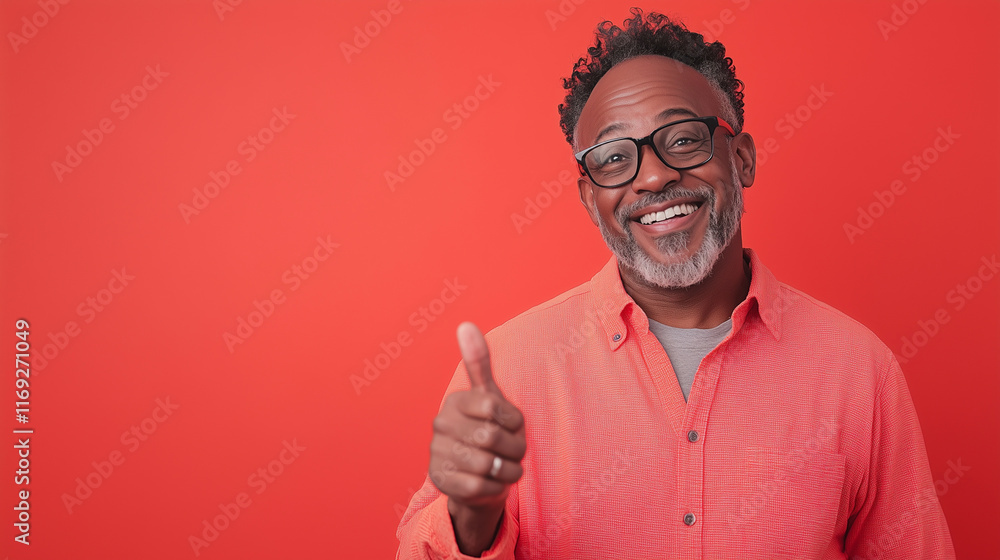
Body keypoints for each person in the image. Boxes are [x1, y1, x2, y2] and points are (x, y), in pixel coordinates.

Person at [396, 8, 956, 559]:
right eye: (614, 158)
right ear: (591, 198)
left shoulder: (859, 371)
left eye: (683, 140)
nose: (656, 175)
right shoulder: (508, 369)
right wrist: (471, 523)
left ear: (741, 159)